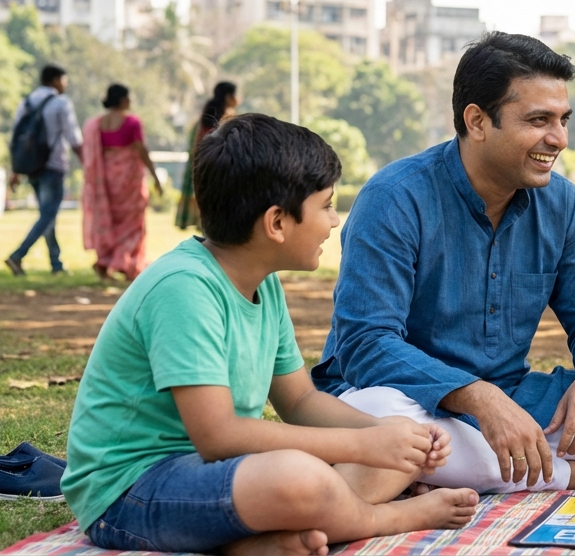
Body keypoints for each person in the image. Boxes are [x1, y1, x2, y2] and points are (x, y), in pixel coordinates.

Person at [61, 114, 477, 555]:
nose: (334, 221)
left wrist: (384, 432)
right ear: (277, 223)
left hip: (216, 476)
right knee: (299, 477)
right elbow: (218, 436)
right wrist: (363, 443)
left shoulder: (263, 284)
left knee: (400, 444)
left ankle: (255, 541)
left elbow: (299, 401)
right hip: (130, 492)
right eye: (326, 205)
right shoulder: (184, 288)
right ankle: (380, 518)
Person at [313, 33, 575, 494]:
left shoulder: (561, 202)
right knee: (381, 415)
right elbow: (366, 344)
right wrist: (479, 398)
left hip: (513, 399)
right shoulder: (394, 198)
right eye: (539, 120)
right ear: (477, 121)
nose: (559, 139)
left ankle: (459, 470)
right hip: (408, 400)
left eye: (563, 120)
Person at [5, 65, 82, 276]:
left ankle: (56, 263)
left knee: (47, 216)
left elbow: (17, 139)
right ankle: (18, 255)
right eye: (64, 80)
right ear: (55, 80)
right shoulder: (61, 103)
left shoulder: (26, 102)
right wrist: (86, 162)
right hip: (53, 165)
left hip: (31, 166)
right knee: (48, 215)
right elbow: (74, 138)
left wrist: (16, 169)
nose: (65, 84)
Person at [81, 84, 164, 281]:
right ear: (123, 100)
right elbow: (140, 149)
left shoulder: (96, 125)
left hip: (106, 181)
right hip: (129, 181)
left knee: (109, 220)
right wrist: (154, 175)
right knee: (133, 223)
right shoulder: (132, 122)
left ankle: (105, 261)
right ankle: (125, 263)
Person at [176, 82, 239, 230]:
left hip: (202, 169)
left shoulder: (203, 120)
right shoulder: (228, 119)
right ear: (229, 97)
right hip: (222, 170)